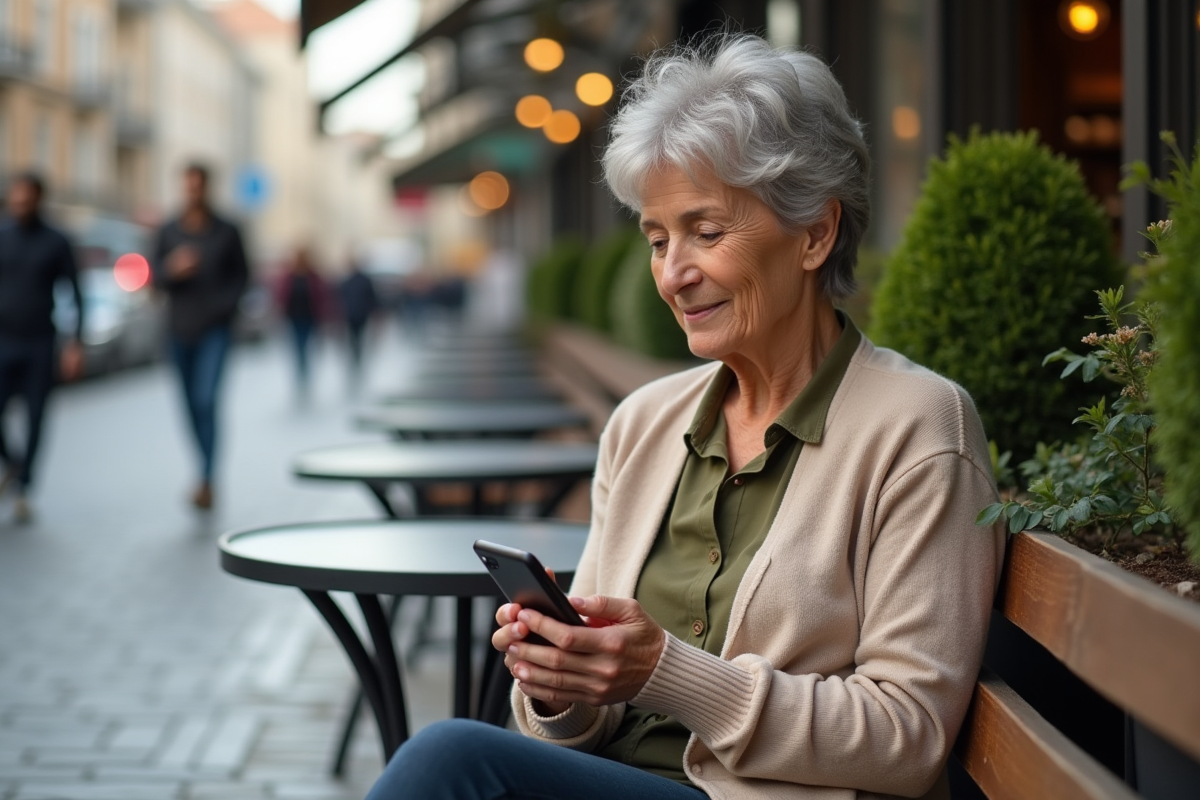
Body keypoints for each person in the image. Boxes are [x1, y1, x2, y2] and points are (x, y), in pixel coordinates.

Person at [366, 35, 1006, 800]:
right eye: (658, 239)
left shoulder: (921, 427)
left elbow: (907, 735)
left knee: (449, 763)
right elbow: (578, 731)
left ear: (815, 233)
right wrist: (558, 685)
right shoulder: (644, 423)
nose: (674, 273)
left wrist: (666, 673)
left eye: (706, 232)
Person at [152, 163, 249, 511]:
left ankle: (207, 477)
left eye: (198, 186)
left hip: (215, 330)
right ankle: (201, 470)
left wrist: (223, 307)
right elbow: (154, 280)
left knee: (207, 400)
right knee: (190, 406)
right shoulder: (168, 231)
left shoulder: (227, 231)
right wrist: (171, 269)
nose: (193, 192)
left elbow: (242, 277)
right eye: (187, 186)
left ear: (207, 188)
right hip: (179, 330)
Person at [0, 173, 84, 523]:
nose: (19, 203)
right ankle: (14, 464)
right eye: (14, 197)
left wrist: (74, 343)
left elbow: (75, 294)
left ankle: (25, 487)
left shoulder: (56, 241)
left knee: (36, 417)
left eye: (25, 197)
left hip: (40, 342)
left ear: (38, 199)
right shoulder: (2, 236)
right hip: (3, 340)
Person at [273, 246, 330, 397]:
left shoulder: (313, 276)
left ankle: (306, 379)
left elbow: (321, 297)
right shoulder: (289, 276)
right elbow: (281, 296)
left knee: (307, 349)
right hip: (293, 319)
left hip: (310, 319)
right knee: (297, 350)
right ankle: (299, 380)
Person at [336, 259, 378, 386]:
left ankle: (356, 356)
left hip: (356, 313)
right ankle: (356, 356)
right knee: (356, 337)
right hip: (357, 314)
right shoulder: (360, 280)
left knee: (356, 337)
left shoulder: (350, 281)